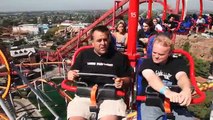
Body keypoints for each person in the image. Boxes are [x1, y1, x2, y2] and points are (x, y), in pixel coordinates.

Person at [67, 25, 132, 120]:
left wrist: (121, 81)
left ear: (109, 40)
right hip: (85, 95)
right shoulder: (84, 55)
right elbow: (73, 72)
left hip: (110, 97)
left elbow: (128, 79)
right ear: (92, 42)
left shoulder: (119, 57)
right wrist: (71, 74)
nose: (103, 43)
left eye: (105, 40)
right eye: (99, 40)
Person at [138, 34, 194, 120]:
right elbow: (151, 78)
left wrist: (186, 89)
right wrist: (167, 92)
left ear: (169, 53)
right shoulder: (147, 63)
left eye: (161, 54)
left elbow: (181, 76)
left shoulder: (178, 63)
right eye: (154, 52)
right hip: (152, 101)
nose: (156, 56)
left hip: (175, 102)